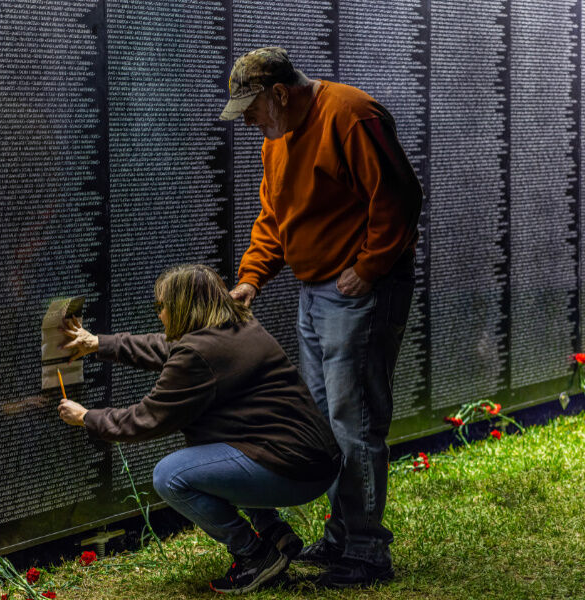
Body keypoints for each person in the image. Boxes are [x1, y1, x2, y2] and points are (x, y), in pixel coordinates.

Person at [219, 47, 423, 587]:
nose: (248, 121)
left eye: (252, 109)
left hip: (358, 292)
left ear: (279, 94)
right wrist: (250, 278)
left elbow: (399, 198)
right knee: (329, 421)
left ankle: (365, 552)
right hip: (317, 293)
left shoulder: (352, 114)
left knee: (354, 422)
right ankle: (341, 539)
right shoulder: (279, 137)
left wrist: (370, 267)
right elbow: (274, 216)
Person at [57, 264, 341, 594]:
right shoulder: (236, 326)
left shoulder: (198, 353)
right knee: (220, 442)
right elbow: (165, 347)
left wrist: (86, 417)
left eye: (160, 306)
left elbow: (146, 419)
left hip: (293, 470)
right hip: (313, 459)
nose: (159, 315)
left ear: (182, 307)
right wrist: (98, 344)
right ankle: (274, 532)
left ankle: (254, 554)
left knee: (171, 475)